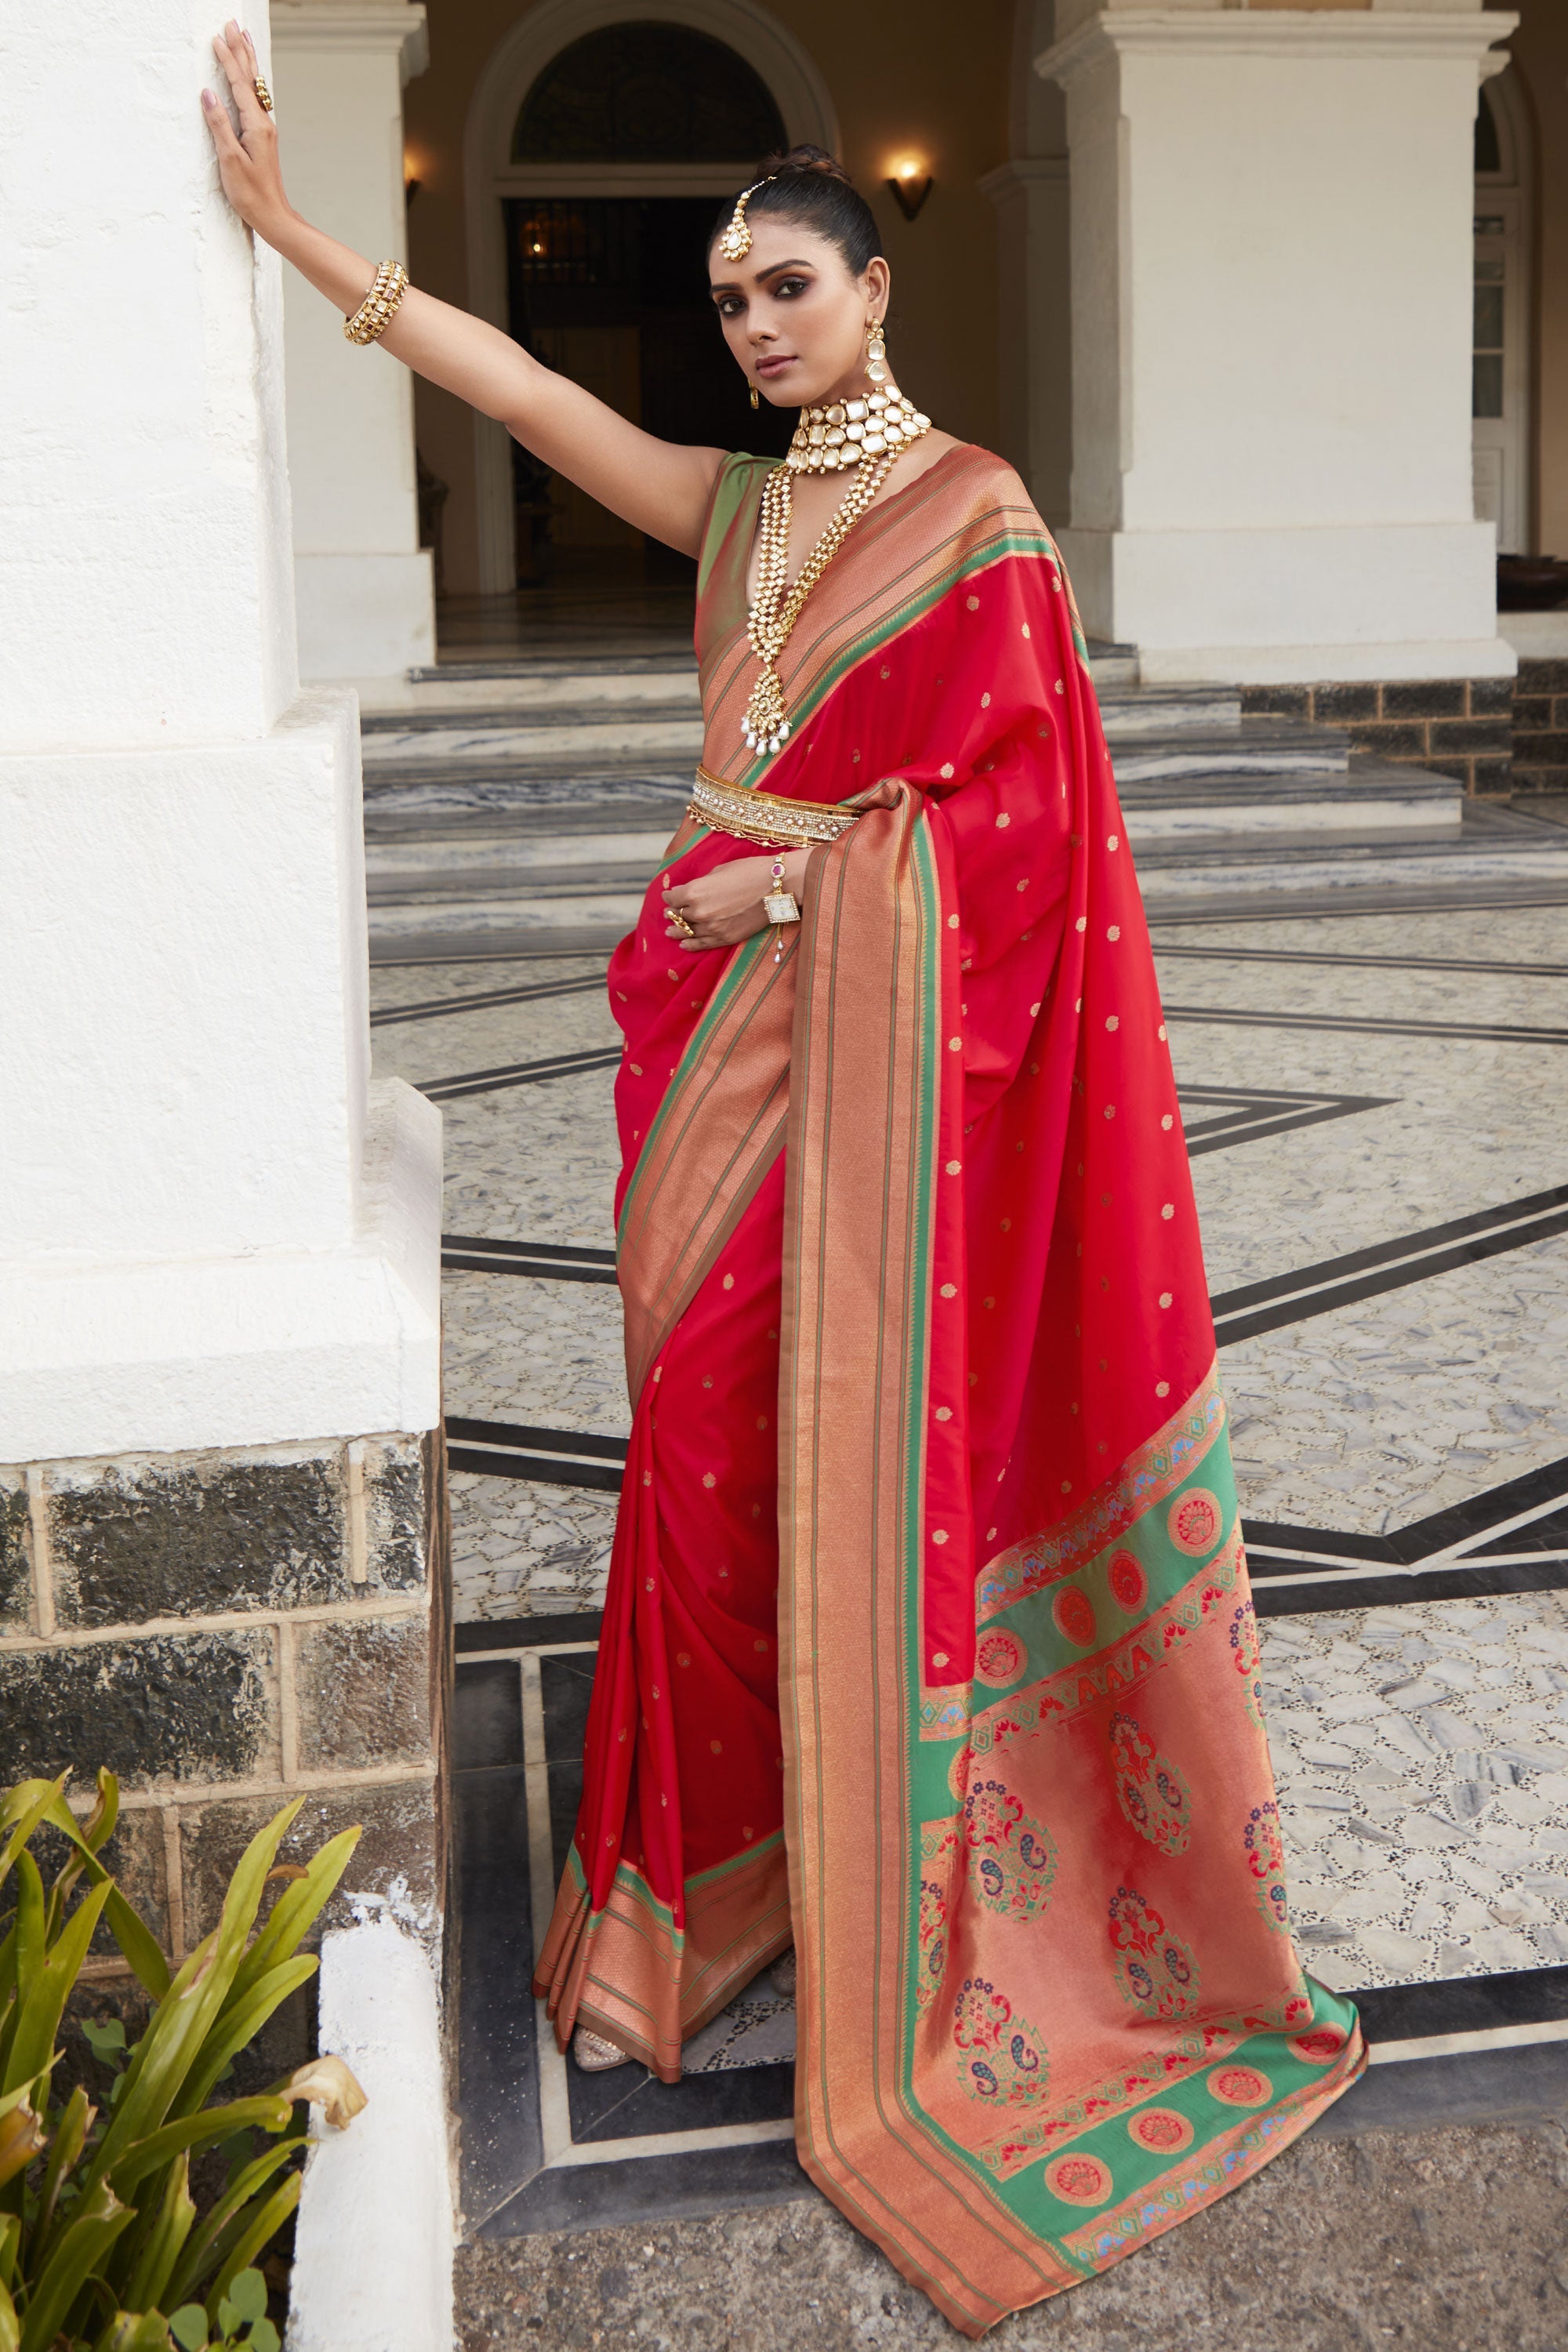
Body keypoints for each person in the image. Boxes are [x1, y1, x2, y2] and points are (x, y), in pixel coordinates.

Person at [205, 27, 1363, 2332]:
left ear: (870, 293)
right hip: (705, 1033)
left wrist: (813, 892)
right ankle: (707, 1881)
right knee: (703, 1454)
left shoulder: (982, 520)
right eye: (727, 295)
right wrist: (307, 244)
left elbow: (1031, 846)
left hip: (843, 1021)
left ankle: (857, 1868)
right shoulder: (743, 513)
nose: (750, 325)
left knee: (788, 1449)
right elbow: (530, 404)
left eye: (784, 289)